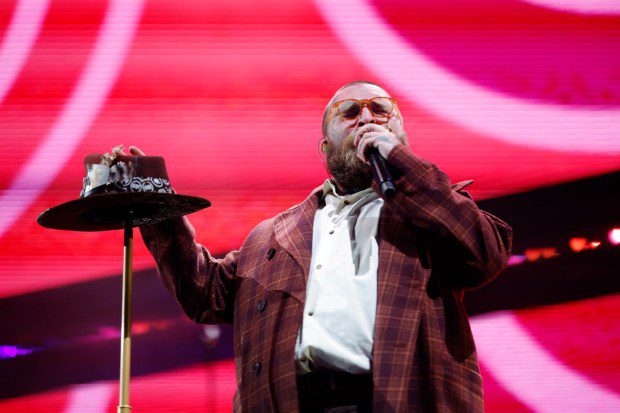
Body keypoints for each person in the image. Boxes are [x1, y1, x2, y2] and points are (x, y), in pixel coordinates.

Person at [130, 80, 513, 412]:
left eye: (381, 111)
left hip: (400, 398)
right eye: (349, 112)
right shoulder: (270, 236)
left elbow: (486, 255)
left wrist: (400, 164)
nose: (367, 119)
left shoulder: (435, 213)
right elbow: (205, 293)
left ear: (403, 139)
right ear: (325, 149)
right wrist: (154, 201)